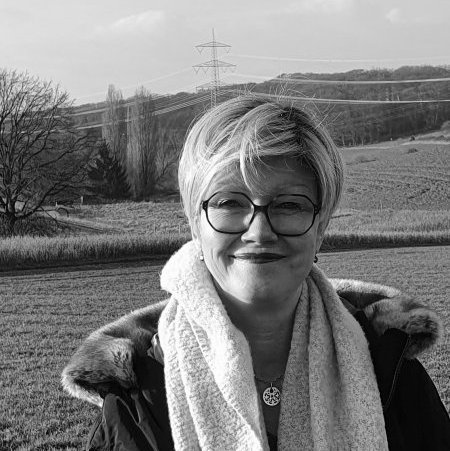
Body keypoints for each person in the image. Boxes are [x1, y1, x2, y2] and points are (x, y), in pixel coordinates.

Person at [62, 95, 450, 450]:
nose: (259, 232)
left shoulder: (389, 368)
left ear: (320, 229)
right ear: (195, 224)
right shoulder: (138, 396)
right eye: (230, 202)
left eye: (290, 204)